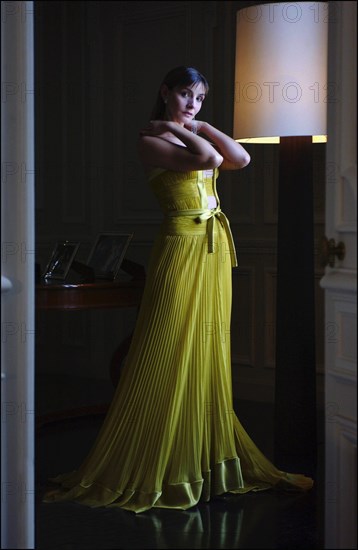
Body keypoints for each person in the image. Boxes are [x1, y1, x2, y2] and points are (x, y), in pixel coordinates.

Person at [43, 66, 313, 513]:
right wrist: (174, 129)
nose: (192, 103)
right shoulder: (151, 141)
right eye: (185, 95)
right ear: (165, 92)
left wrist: (195, 125)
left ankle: (204, 459)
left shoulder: (185, 131)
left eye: (200, 99)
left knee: (207, 348)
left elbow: (240, 159)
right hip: (179, 249)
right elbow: (208, 161)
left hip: (211, 252)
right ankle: (156, 459)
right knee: (165, 343)